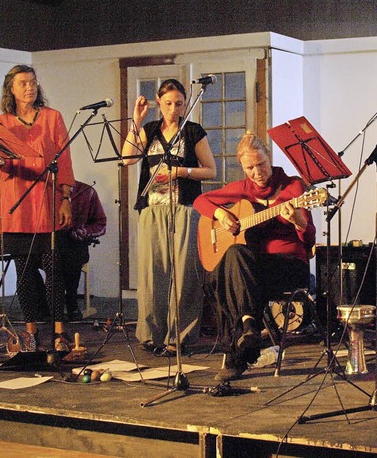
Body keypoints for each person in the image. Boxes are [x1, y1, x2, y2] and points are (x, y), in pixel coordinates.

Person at [194, 131, 316, 381]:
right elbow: (200, 201)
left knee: (231, 267)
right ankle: (248, 330)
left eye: (261, 164)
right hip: (252, 270)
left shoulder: (294, 187)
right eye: (249, 167)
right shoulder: (242, 189)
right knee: (232, 260)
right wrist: (221, 216)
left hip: (289, 266)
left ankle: (238, 350)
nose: (257, 172)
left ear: (269, 157)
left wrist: (300, 222)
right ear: (242, 166)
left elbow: (310, 240)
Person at [122, 79, 216, 356]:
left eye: (179, 103)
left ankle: (181, 335)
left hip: (185, 208)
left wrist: (180, 173)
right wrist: (136, 121)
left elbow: (210, 170)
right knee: (153, 273)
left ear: (185, 103)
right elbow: (127, 159)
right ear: (158, 103)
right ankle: (152, 334)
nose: (173, 109)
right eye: (167, 104)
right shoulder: (150, 130)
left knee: (185, 273)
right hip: (152, 208)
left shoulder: (193, 131)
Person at [0, 65, 75, 351]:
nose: (30, 87)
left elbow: (64, 161)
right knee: (24, 272)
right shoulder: (1, 122)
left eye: (33, 82)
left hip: (46, 201)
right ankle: (30, 332)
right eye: (23, 83)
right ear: (11, 89)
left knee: (54, 269)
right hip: (16, 204)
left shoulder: (52, 118)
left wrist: (65, 198)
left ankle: (59, 333)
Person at [57, 181, 107, 321]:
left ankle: (71, 302)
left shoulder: (86, 191)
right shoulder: (46, 190)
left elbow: (100, 223)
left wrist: (83, 232)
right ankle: (45, 304)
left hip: (74, 244)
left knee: (72, 254)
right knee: (27, 258)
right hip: (49, 243)